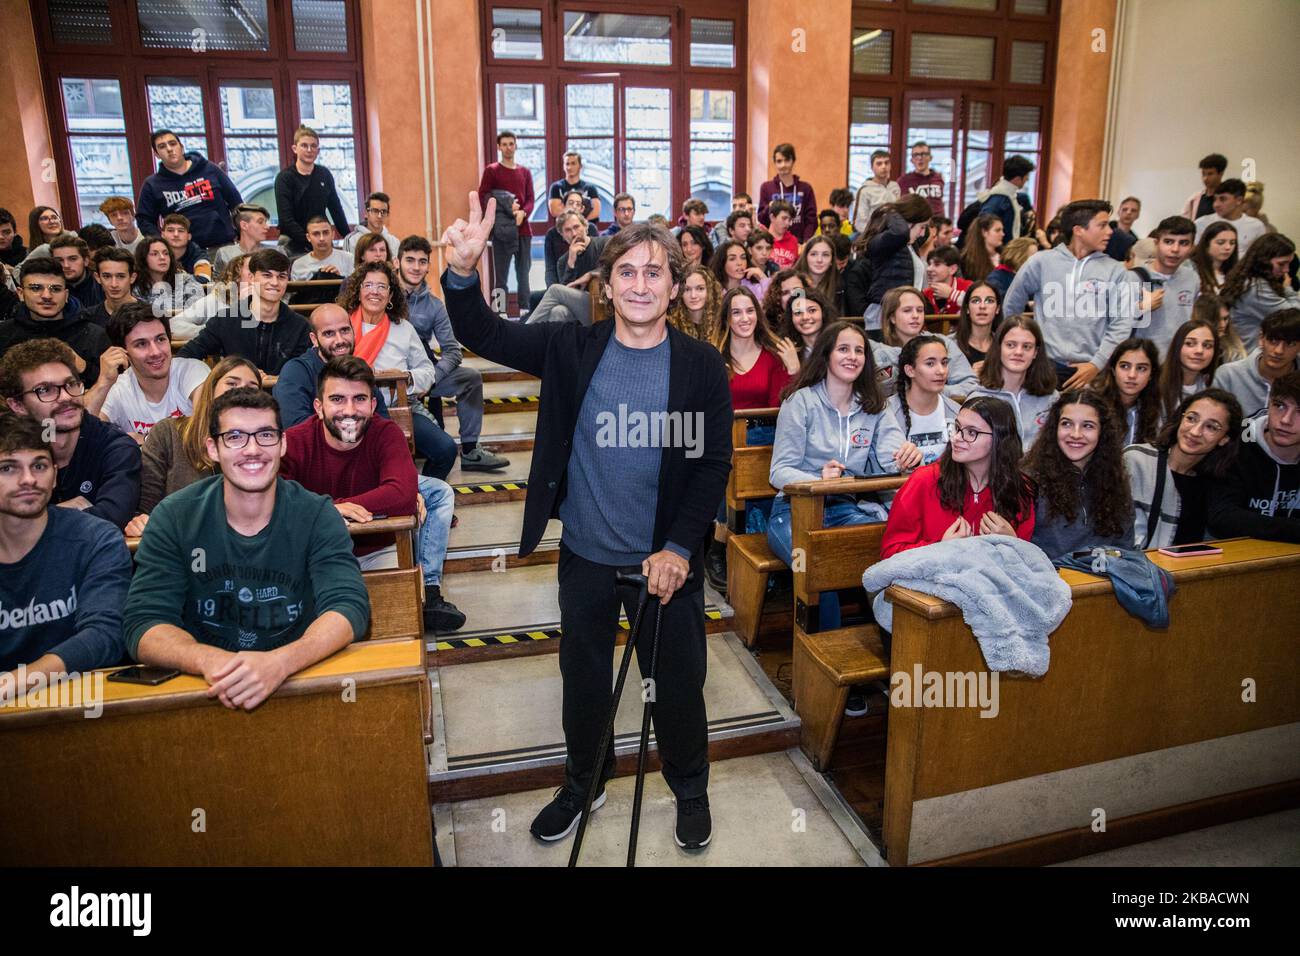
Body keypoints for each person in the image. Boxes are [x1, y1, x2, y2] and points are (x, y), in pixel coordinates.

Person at [441, 194, 731, 849]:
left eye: (653, 271)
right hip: (589, 556)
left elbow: (712, 466)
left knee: (679, 689)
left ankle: (691, 790)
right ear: (604, 282)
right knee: (583, 683)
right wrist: (463, 274)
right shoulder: (572, 348)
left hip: (667, 563)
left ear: (674, 283)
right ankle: (584, 782)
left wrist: (681, 548)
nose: (639, 284)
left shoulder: (700, 367)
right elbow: (485, 333)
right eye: (626, 271)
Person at [123, 387, 371, 708]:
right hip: (205, 692)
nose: (252, 449)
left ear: (282, 444)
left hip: (299, 684)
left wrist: (279, 663)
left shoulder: (317, 514)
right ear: (213, 448)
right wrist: (213, 662)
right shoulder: (174, 516)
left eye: (266, 435)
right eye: (235, 436)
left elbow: (348, 608)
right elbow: (144, 623)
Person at [282, 355, 464, 632]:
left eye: (359, 399)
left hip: (377, 549)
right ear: (318, 407)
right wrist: (327, 509)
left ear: (373, 404)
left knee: (396, 624)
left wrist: (327, 506)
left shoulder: (386, 433)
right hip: (316, 553)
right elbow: (272, 501)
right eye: (338, 399)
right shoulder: (294, 442)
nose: (349, 410)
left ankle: (429, 594)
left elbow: (402, 495)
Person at [768, 321, 906, 637]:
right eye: (844, 349)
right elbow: (778, 471)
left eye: (859, 350)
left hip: (844, 508)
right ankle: (825, 661)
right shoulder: (800, 401)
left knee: (889, 556)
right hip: (793, 511)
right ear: (827, 355)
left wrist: (905, 454)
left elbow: (891, 456)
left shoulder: (873, 406)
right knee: (818, 566)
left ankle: (891, 648)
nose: (853, 357)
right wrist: (818, 478)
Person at [0, 412, 132, 690]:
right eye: (8, 468)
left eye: (39, 466)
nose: (28, 480)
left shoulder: (96, 539)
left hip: (78, 703)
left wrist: (19, 681)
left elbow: (105, 634)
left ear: (55, 476)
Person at [336, 260, 458, 479]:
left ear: (390, 296)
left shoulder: (403, 328)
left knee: (446, 449)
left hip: (399, 407)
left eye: (382, 287)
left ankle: (420, 496)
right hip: (349, 410)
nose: (375, 292)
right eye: (368, 285)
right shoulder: (341, 325)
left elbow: (427, 371)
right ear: (358, 291)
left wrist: (405, 378)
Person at [0, 338, 140, 529]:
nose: (66, 397)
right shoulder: (6, 450)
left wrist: (31, 517)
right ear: (17, 405)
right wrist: (61, 512)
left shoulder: (116, 447)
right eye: (45, 390)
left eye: (71, 384)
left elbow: (112, 517)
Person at [397, 235, 509, 471]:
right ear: (397, 263)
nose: (416, 267)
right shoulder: (383, 296)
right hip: (389, 375)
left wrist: (431, 379)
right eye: (410, 260)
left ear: (428, 265)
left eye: (422, 261)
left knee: (470, 378)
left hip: (424, 373)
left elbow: (452, 351)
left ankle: (470, 451)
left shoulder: (435, 306)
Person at [1004, 199, 1140, 390]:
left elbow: (1122, 323)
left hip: (1092, 372)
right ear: (1079, 230)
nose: (1110, 231)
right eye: (1102, 225)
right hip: (1044, 368)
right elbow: (1012, 307)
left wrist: (1097, 364)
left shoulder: (1115, 271)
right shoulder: (1042, 262)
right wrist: (1026, 351)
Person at [880, 395, 1036, 558]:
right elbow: (889, 553)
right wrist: (940, 549)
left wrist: (1013, 543)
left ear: (999, 439)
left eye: (971, 432)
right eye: (957, 428)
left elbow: (1028, 566)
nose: (956, 438)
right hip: (933, 582)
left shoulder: (1019, 488)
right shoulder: (924, 480)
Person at [128, 356, 261, 534]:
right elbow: (145, 509)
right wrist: (140, 521)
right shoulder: (167, 433)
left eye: (252, 388)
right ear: (211, 389)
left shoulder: (260, 446)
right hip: (178, 543)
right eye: (232, 384)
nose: (241, 393)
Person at [1021, 390, 1134, 558]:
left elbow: (1125, 548)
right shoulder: (1029, 480)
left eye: (1087, 426)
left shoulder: (1114, 478)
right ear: (1054, 428)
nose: (1075, 434)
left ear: (1102, 432)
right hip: (1050, 579)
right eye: (1066, 424)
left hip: (1104, 580)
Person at [1125, 388, 1241, 549]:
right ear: (1181, 418)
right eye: (1192, 418)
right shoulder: (1136, 460)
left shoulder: (1212, 483)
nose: (1195, 432)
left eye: (1211, 427)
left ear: (1224, 439)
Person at [176, 248, 311, 375]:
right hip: (234, 396)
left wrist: (278, 380)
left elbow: (307, 369)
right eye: (267, 275)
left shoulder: (300, 326)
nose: (275, 282)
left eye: (281, 276)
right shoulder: (225, 320)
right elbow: (186, 355)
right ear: (251, 278)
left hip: (282, 396)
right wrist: (214, 380)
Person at [1207, 371, 1300, 542]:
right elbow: (1222, 517)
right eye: (1279, 406)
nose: (1286, 420)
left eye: (1299, 412)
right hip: (1232, 557)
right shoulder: (1235, 444)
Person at [99, 303, 209, 439]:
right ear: (122, 352)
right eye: (141, 344)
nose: (155, 352)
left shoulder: (193, 371)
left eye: (160, 339)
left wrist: (145, 439)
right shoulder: (118, 387)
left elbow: (205, 427)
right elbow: (85, 436)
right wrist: (103, 383)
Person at [0, 258, 110, 387]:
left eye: (56, 289)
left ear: (66, 295)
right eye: (36, 288)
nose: (47, 295)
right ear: (20, 293)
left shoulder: (94, 336)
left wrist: (84, 368)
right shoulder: (4, 334)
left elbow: (114, 389)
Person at [135, 130, 243, 251]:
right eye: (162, 146)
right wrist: (161, 243)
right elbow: (144, 220)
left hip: (224, 244)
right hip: (184, 252)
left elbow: (236, 202)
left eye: (172, 143)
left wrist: (241, 233)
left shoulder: (209, 169)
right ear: (156, 154)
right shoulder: (152, 184)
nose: (169, 149)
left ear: (181, 147)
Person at [965, 314, 1059, 449]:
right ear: (999, 347)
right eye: (1011, 345)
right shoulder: (979, 398)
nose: (1018, 352)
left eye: (1027, 346)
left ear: (1035, 352)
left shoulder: (1051, 398)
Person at [876, 333, 962, 470]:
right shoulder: (885, 412)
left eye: (944, 363)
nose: (941, 371)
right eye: (930, 363)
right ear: (910, 370)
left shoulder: (957, 412)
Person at [878, 286, 978, 396]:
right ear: (892, 317)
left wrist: (933, 392)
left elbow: (970, 385)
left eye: (920, 310)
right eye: (907, 310)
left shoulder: (942, 343)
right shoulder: (877, 351)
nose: (916, 316)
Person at [274, 126, 352, 256]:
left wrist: (349, 238)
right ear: (295, 149)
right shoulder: (284, 178)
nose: (309, 150)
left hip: (321, 239)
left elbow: (336, 210)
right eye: (304, 146)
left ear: (318, 150)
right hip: (292, 241)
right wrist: (309, 240)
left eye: (313, 146)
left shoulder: (324, 174)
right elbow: (285, 219)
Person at [714, 287, 797, 408]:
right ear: (726, 319)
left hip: (766, 426)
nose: (745, 318)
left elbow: (779, 408)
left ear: (757, 315)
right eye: (736, 312)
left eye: (750, 311)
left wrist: (793, 372)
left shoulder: (774, 356)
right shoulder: (714, 357)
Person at [1130, 216, 1199, 359]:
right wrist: (1142, 307)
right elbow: (1113, 324)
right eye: (1168, 242)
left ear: (1192, 247)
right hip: (1142, 361)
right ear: (1156, 243)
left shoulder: (1192, 278)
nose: (1175, 249)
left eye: (1184, 243)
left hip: (1176, 361)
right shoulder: (1134, 277)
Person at [1212, 308, 1300, 419]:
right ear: (1261, 339)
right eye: (1273, 341)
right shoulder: (1227, 376)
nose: (1279, 351)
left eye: (1290, 344)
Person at [1219, 234, 1298, 350]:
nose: (1286, 270)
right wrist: (1288, 289)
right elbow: (1294, 318)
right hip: (1250, 357)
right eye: (1281, 264)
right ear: (1264, 261)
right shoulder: (1255, 288)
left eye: (1289, 264)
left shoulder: (1250, 280)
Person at [1093, 337, 1161, 446]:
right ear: (1113, 370)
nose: (1132, 375)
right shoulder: (1092, 402)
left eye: (1141, 368)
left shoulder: (1158, 408)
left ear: (1151, 374)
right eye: (1124, 366)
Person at [1157, 318, 1220, 424]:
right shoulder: (1154, 385)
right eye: (1190, 343)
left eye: (1207, 345)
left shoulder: (1212, 388)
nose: (1199, 351)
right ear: (1177, 346)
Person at [758, 143, 817, 242]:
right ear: (775, 163)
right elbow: (761, 219)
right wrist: (769, 207)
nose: (783, 165)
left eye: (787, 160)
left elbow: (811, 220)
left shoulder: (806, 188)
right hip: (773, 244)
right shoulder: (766, 187)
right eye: (779, 161)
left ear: (793, 161)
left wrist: (806, 242)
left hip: (799, 243)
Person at [133, 235, 204, 313]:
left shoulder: (185, 280)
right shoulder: (136, 286)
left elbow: (198, 311)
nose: (162, 257)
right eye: (155, 254)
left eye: (166, 253)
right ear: (143, 258)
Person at [972, 155, 1035, 243]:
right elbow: (983, 228)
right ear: (1017, 179)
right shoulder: (998, 200)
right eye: (1026, 177)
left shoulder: (1010, 196)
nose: (1027, 179)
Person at [1195, 179, 1266, 254]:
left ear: (1239, 200)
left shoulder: (1256, 226)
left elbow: (1260, 256)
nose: (1216, 204)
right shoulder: (1202, 223)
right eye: (1215, 199)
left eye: (1223, 199)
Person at [949, 280, 1002, 375]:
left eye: (989, 301)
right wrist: (969, 377)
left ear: (997, 309)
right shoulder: (950, 345)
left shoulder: (1005, 345)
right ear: (967, 309)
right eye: (975, 301)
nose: (982, 306)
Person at [81, 247, 139, 328]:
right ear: (97, 277)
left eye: (120, 276)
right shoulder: (86, 318)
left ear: (132, 278)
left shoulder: (150, 316)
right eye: (107, 276)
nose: (114, 284)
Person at [777, 287, 836, 363]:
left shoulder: (839, 343)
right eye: (798, 313)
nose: (805, 317)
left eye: (812, 310)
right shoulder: (785, 350)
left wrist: (796, 371)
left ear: (823, 313)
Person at [666, 264, 722, 343]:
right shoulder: (671, 326)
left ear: (710, 290)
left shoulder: (722, 324)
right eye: (687, 289)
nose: (693, 295)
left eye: (700, 289)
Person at [211, 203, 270, 276]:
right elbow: (217, 284)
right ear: (244, 225)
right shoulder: (224, 254)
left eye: (266, 222)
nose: (267, 227)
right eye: (260, 222)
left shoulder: (277, 252)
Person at [851, 149, 900, 234]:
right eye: (879, 163)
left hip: (893, 233)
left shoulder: (895, 187)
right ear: (872, 167)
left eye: (886, 163)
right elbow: (858, 223)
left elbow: (899, 213)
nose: (884, 166)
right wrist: (874, 234)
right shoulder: (864, 190)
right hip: (872, 235)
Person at [291, 216, 355, 280]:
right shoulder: (298, 265)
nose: (322, 238)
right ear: (308, 237)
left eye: (325, 233)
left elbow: (355, 288)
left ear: (332, 235)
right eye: (316, 234)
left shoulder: (348, 259)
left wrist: (339, 278)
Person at [49, 236, 103, 310]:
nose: (66, 265)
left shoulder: (102, 285)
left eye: (72, 259)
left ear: (86, 261)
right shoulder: (47, 289)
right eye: (59, 260)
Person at [342, 192, 400, 261]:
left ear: (387, 215)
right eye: (375, 211)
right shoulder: (352, 240)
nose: (379, 216)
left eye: (383, 212)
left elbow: (395, 269)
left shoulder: (394, 242)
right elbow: (349, 269)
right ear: (366, 213)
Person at [546, 151, 601, 223]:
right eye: (567, 164)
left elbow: (596, 212)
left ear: (580, 166)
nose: (569, 167)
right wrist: (581, 209)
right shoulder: (556, 187)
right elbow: (555, 211)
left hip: (586, 229)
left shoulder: (590, 188)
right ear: (563, 166)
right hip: (563, 229)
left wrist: (579, 223)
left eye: (573, 163)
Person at [895, 142, 944, 217]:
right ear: (911, 160)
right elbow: (899, 206)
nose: (920, 158)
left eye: (924, 154)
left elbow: (941, 202)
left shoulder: (938, 177)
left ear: (930, 158)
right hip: (917, 222)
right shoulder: (903, 181)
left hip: (938, 222)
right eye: (916, 155)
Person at [795, 234, 841, 313]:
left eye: (825, 255)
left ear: (832, 260)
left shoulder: (840, 285)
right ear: (805, 257)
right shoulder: (792, 282)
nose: (819, 260)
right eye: (814, 254)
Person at [1196, 293, 1246, 364]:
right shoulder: (1191, 349)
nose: (1223, 325)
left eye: (1225, 319)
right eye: (1216, 319)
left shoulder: (1233, 348)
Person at [984, 236, 1037, 300]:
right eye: (1033, 256)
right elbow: (998, 298)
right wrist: (1027, 304)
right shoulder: (996, 277)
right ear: (1018, 256)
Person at [1191, 220, 1238, 293]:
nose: (1228, 247)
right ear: (1206, 244)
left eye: (1232, 243)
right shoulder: (1192, 269)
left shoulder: (1235, 271)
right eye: (1220, 243)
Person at [923, 246, 970, 316]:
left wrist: (952, 294)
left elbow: (979, 308)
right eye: (929, 264)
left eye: (937, 264)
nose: (929, 269)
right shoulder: (925, 294)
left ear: (952, 269)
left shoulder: (968, 287)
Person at [961, 214, 1004, 288]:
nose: (1003, 234)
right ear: (984, 232)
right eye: (997, 230)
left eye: (1002, 230)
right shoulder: (967, 260)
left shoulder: (1005, 255)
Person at [1182, 153, 1226, 221]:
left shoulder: (1230, 198)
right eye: (1203, 174)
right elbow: (1185, 224)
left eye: (1210, 174)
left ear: (1221, 174)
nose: (1205, 178)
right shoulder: (1193, 199)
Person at [1105, 197, 1141, 262]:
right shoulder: (1104, 230)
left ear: (1138, 215)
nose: (1128, 213)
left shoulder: (1135, 241)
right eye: (1125, 209)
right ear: (1118, 211)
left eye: (1133, 210)